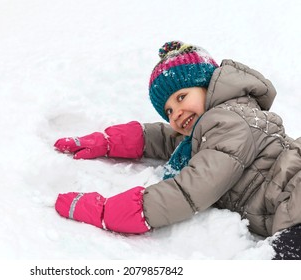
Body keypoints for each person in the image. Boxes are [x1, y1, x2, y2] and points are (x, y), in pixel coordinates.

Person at [53, 40, 301, 260]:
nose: (176, 113)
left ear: (207, 86)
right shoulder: (219, 126)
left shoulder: (230, 123)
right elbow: (167, 139)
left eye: (181, 97)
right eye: (169, 110)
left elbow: (195, 187)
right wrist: (110, 141)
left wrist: (111, 211)